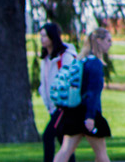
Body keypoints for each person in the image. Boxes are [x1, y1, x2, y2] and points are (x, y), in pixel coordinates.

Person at [53, 28, 113, 162]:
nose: (110, 44)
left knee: (65, 150)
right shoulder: (96, 64)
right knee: (101, 154)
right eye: (108, 40)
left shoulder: (82, 61)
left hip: (73, 111)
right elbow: (93, 93)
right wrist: (90, 117)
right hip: (88, 113)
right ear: (99, 41)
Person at [39, 23, 78, 162]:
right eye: (41, 35)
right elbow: (44, 83)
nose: (42, 39)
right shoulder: (45, 59)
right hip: (52, 106)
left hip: (63, 106)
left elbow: (72, 80)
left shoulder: (65, 57)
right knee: (64, 143)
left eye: (44, 35)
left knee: (48, 136)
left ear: (52, 37)